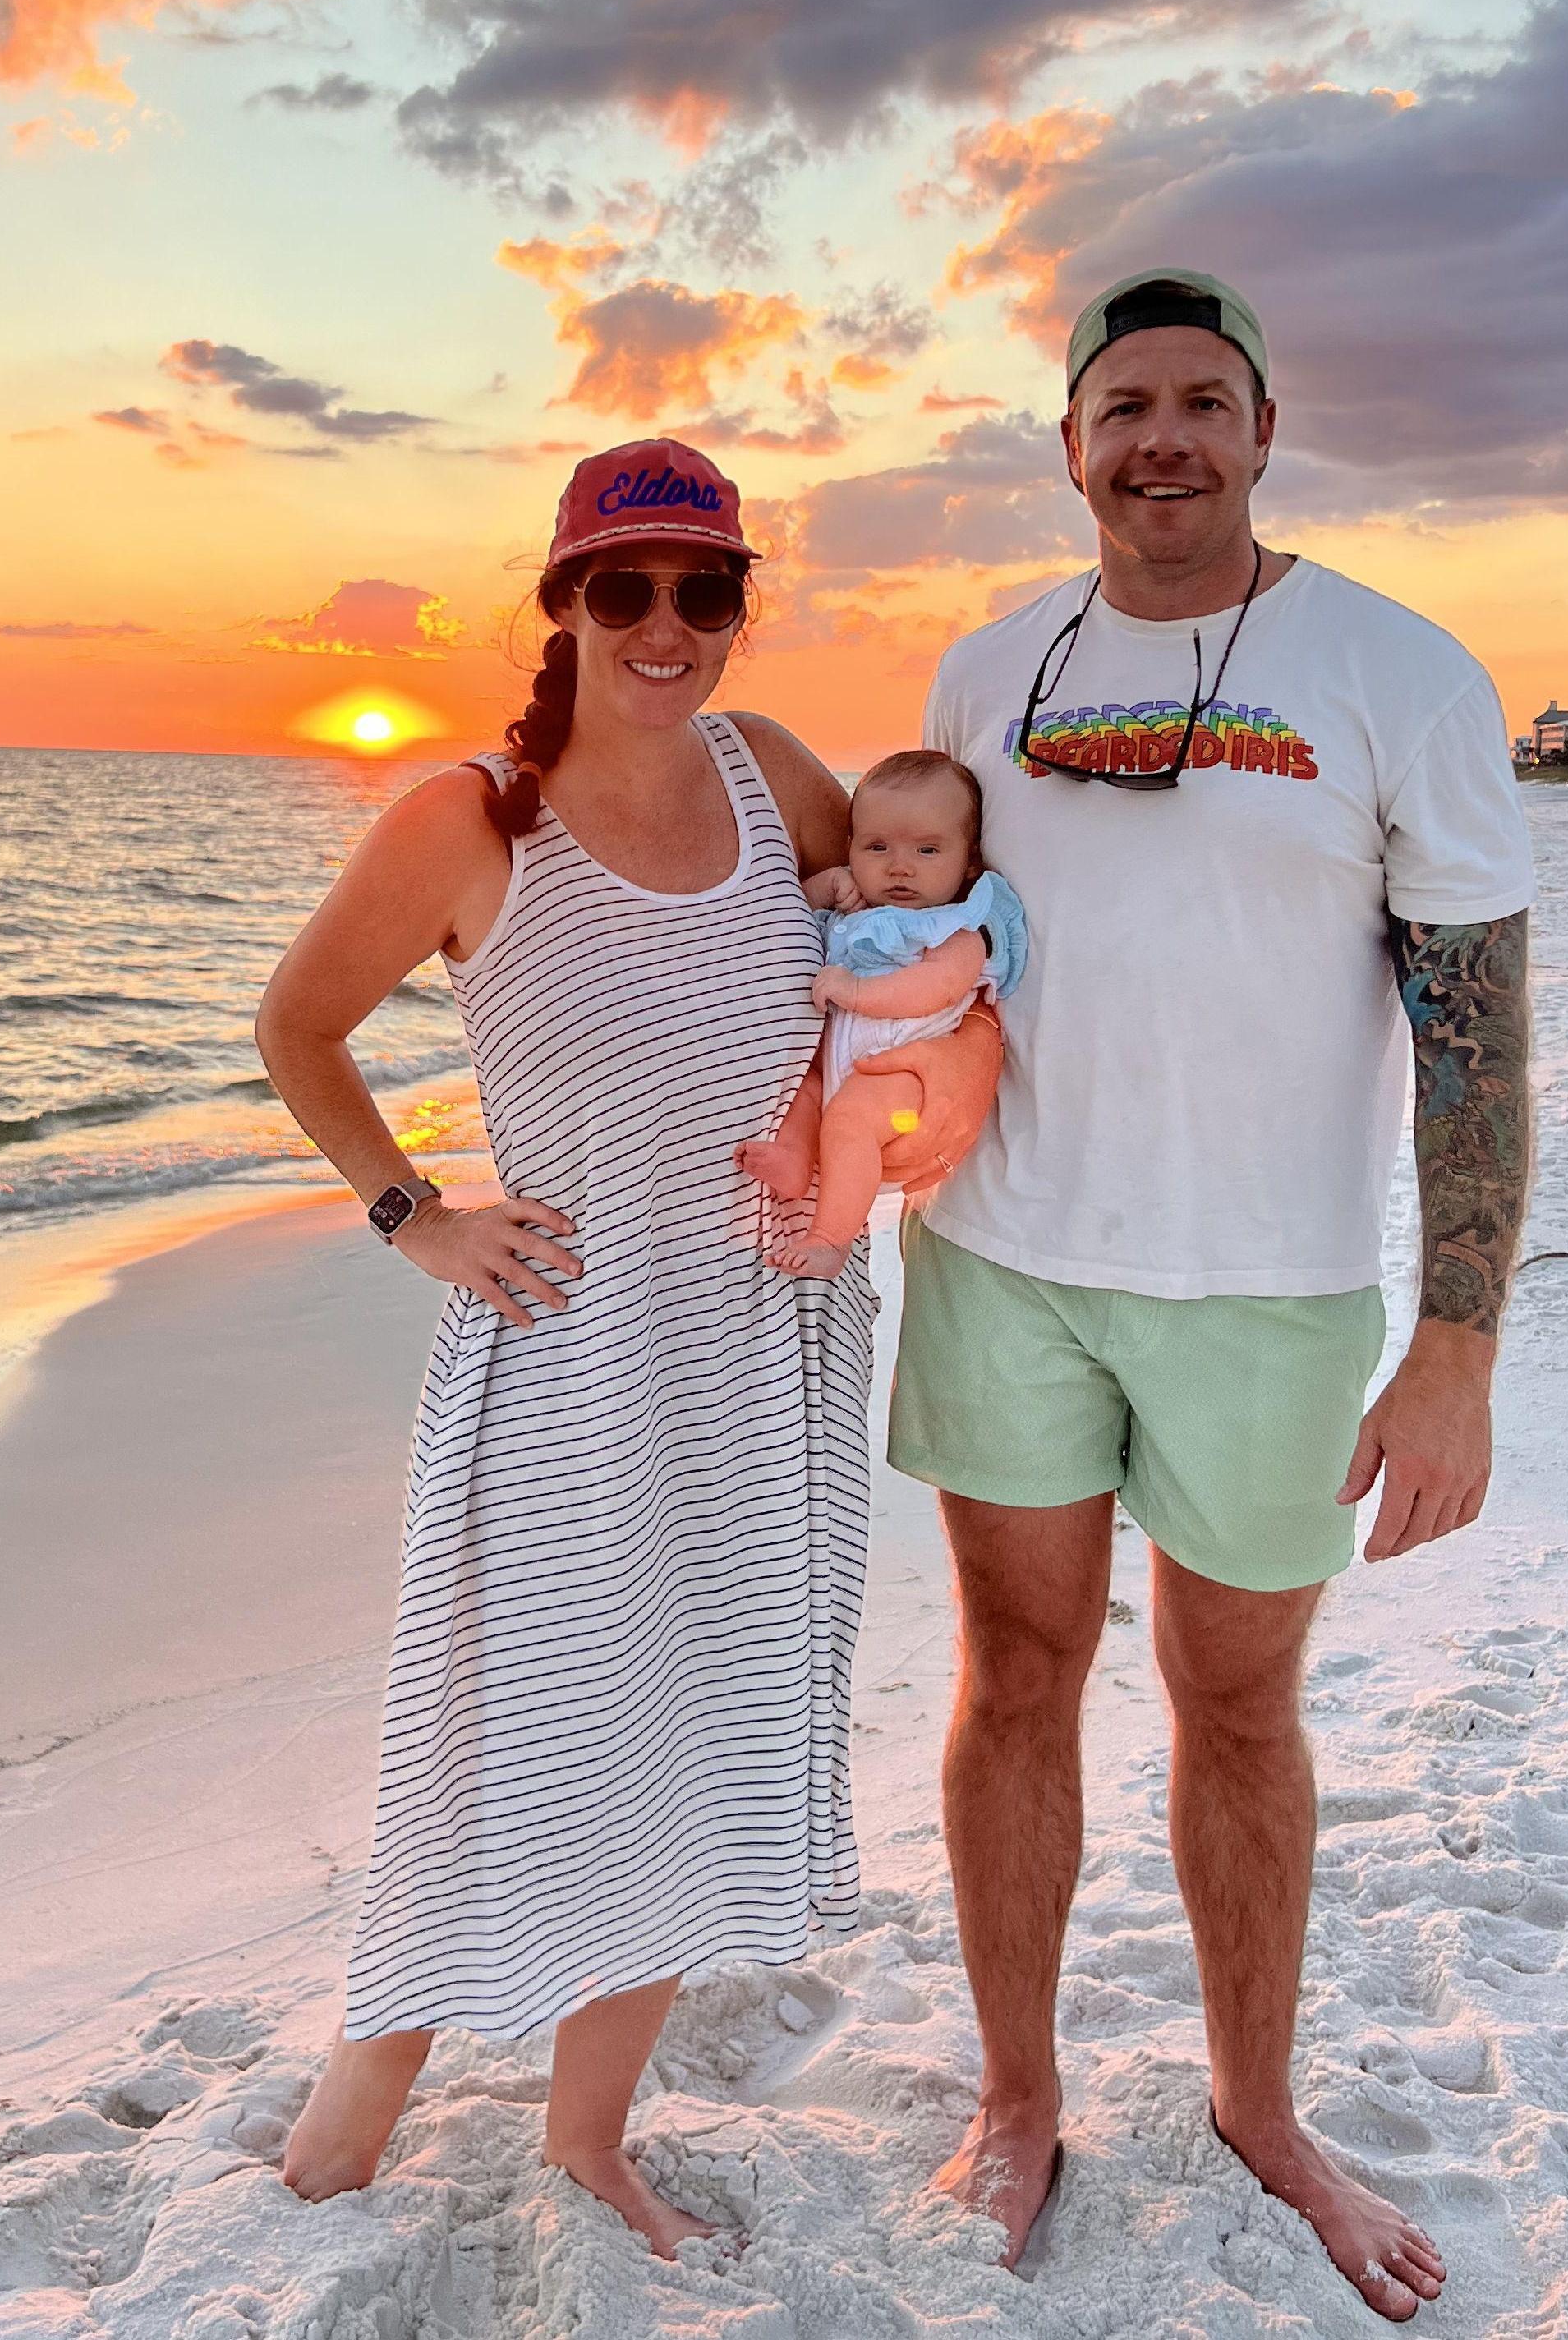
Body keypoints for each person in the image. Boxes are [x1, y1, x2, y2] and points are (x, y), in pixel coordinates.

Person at [253, 438, 997, 2258]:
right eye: (626, 587)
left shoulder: (778, 778)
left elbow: (932, 926)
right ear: (566, 603)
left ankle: (589, 2139)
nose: (668, 625)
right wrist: (414, 1215)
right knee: (494, 1734)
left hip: (766, 1348)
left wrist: (910, 1112)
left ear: (739, 609)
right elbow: (299, 1028)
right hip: (571, 1357)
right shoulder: (470, 821)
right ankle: (357, 2107)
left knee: (698, 1735)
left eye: (706, 590)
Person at [887, 269, 1534, 2320]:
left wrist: (1455, 1345)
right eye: (1123, 406)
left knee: (1236, 1702)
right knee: (1013, 1674)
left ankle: (1259, 2104)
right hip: (1002, 1254)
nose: (1159, 438)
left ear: (1263, 431)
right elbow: (901, 927)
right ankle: (1016, 2097)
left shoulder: (1395, 672)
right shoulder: (990, 665)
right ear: (1069, 445)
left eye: (1199, 401)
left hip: (1262, 1288)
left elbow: (1475, 1028)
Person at [739, 751, 1026, 1278]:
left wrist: (856, 990)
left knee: (850, 1119)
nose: (900, 866)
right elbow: (783, 914)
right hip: (845, 1062)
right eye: (877, 847)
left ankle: (830, 1237)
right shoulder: (850, 917)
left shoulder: (956, 927)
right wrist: (823, 886)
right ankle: (796, 1159)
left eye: (927, 849)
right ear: (850, 848)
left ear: (969, 861)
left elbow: (937, 987)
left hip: (904, 1074)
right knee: (801, 1088)